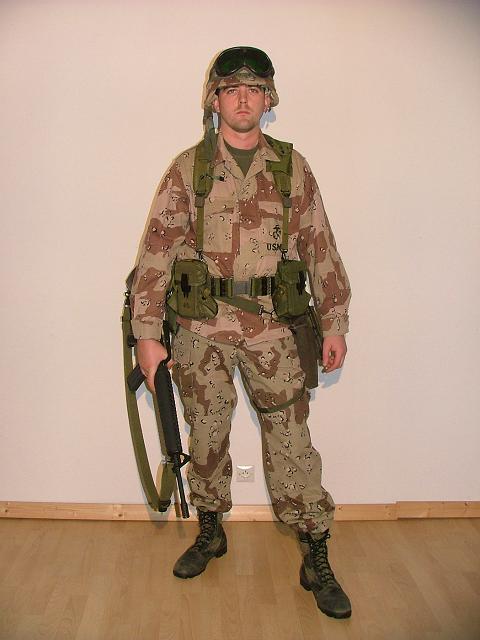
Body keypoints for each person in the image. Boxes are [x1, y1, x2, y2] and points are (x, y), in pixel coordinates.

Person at [130, 46, 352, 619]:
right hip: (201, 328)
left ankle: (315, 550)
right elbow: (157, 251)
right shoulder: (189, 168)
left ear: (269, 98)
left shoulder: (291, 167)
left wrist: (334, 322)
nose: (244, 99)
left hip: (275, 330)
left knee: (292, 443)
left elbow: (320, 247)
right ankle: (211, 529)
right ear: (216, 100)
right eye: (232, 90)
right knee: (205, 435)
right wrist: (147, 334)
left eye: (254, 89)